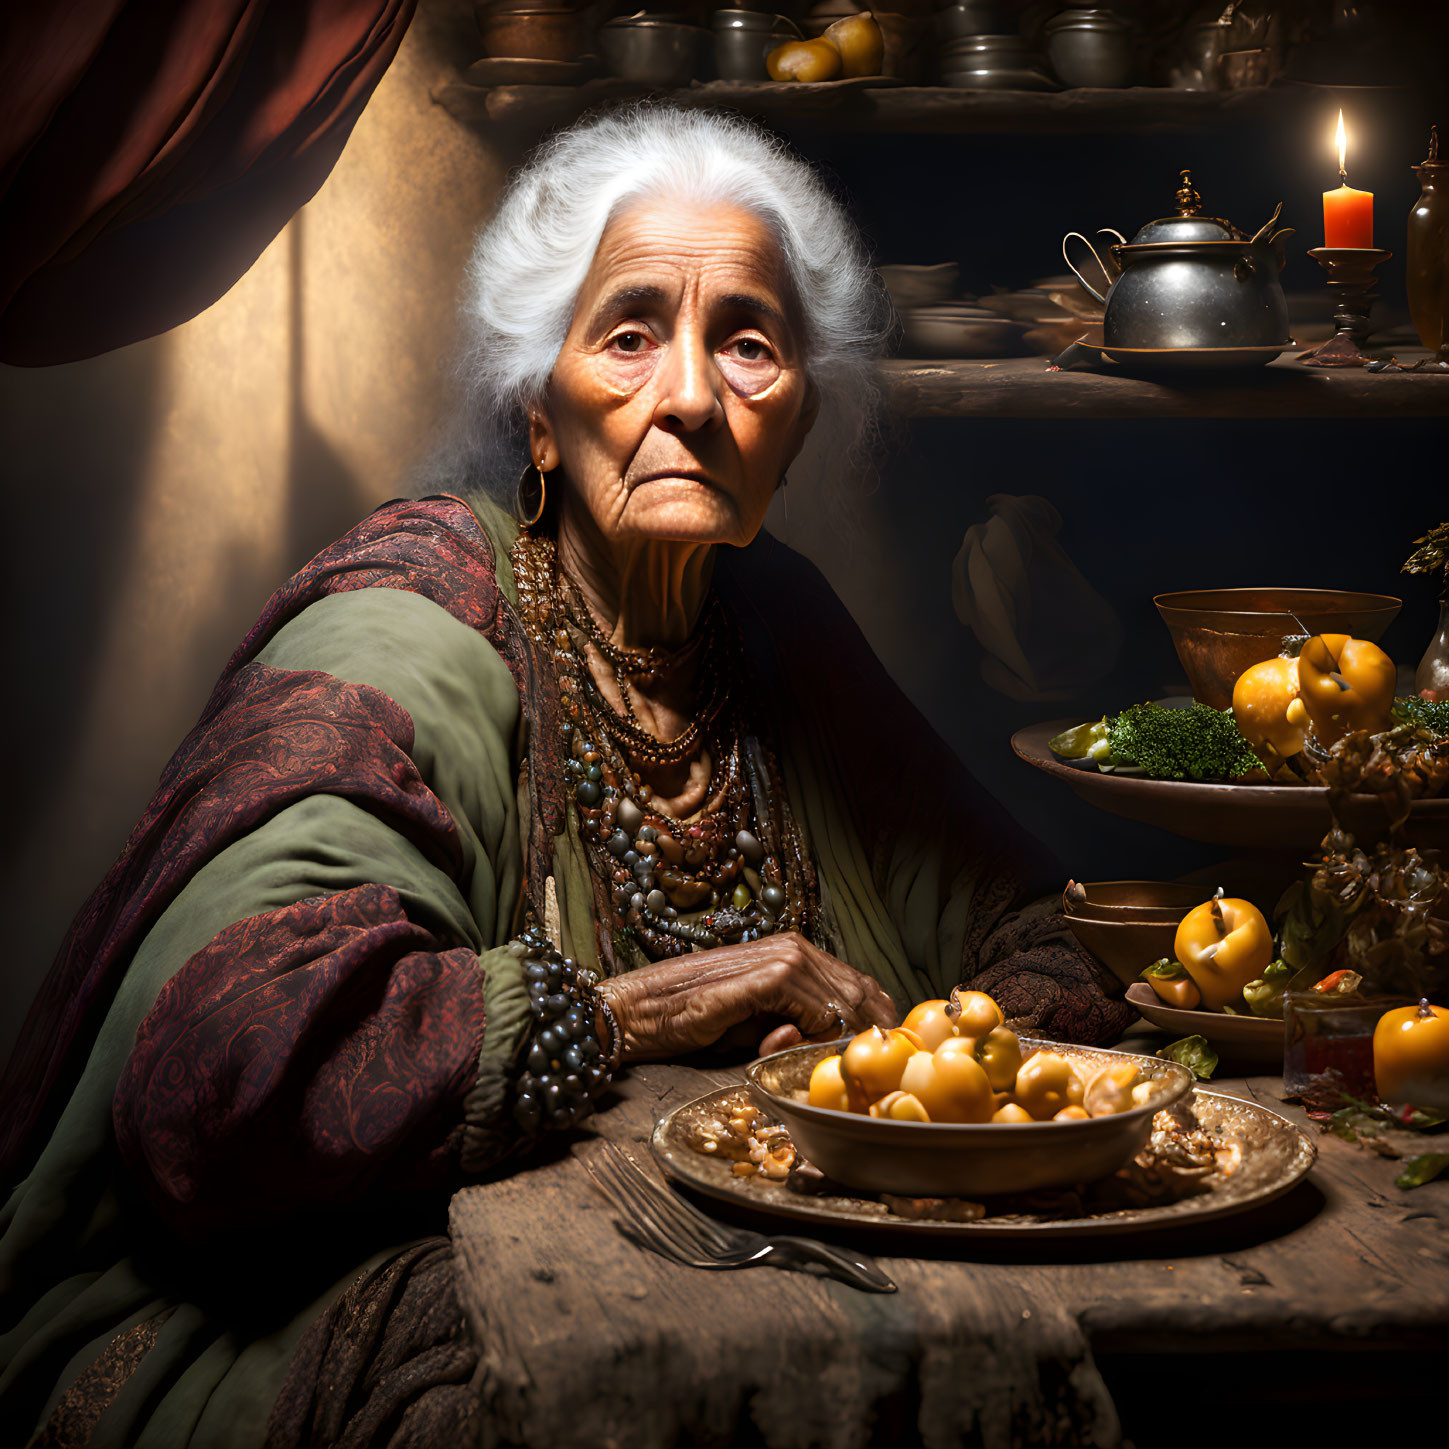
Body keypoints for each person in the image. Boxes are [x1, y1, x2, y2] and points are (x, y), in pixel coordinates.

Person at [0, 104, 1131, 1447]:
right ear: (539, 412)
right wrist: (638, 1013)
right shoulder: (408, 619)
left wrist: (898, 1080)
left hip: (719, 1263)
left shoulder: (775, 620)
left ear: (799, 419)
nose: (695, 398)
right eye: (631, 332)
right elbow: (229, 1082)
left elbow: (1037, 933)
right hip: (294, 1289)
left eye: (749, 344)